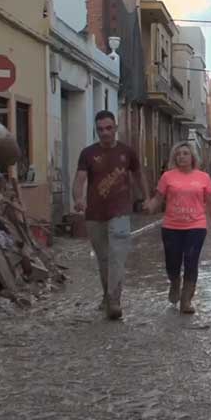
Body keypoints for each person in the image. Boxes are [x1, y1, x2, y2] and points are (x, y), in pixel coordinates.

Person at [73, 111, 146, 320]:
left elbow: (139, 174)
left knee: (117, 255)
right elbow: (79, 179)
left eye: (108, 128)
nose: (104, 133)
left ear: (115, 128)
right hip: (94, 214)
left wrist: (147, 198)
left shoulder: (127, 152)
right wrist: (78, 198)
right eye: (100, 129)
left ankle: (114, 300)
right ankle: (107, 295)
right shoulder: (88, 153)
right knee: (103, 259)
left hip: (120, 211)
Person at [145, 143, 211, 314]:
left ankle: (186, 300)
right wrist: (149, 207)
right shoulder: (167, 177)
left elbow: (210, 203)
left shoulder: (203, 177)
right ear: (174, 158)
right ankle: (174, 282)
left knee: (191, 261)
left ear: (192, 157)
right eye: (178, 154)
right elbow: (158, 199)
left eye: (185, 153)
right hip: (171, 227)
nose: (182, 157)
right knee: (172, 262)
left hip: (196, 226)